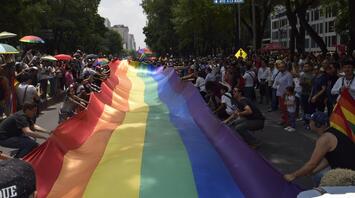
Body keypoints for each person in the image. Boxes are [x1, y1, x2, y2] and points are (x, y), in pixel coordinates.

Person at [284, 112, 355, 184]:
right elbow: (329, 158)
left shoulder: (325, 139)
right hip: (348, 169)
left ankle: (325, 193)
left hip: (350, 175)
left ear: (317, 124)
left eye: (311, 121)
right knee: (316, 175)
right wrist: (313, 171)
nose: (309, 122)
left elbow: (312, 164)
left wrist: (293, 175)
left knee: (319, 178)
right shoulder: (332, 132)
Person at [273, 61, 293, 126]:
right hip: (280, 94)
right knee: (282, 108)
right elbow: (277, 82)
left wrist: (285, 94)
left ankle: (288, 121)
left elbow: (290, 86)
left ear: (285, 67)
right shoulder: (279, 74)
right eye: (279, 67)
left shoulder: (289, 75)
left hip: (286, 95)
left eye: (282, 67)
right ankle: (284, 120)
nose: (281, 69)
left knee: (287, 109)